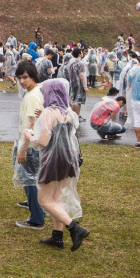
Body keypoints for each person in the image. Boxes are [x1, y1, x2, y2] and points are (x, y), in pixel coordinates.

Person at [22, 79, 90, 251]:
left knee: (44, 199)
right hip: (68, 158)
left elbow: (43, 141)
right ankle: (57, 236)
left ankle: (74, 227)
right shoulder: (68, 113)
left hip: (53, 159)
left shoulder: (49, 113)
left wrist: (29, 135)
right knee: (57, 197)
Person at [13, 61, 46, 231]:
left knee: (29, 179)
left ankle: (37, 218)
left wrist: (23, 148)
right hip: (35, 143)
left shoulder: (33, 96)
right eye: (19, 78)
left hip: (31, 145)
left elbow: (31, 125)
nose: (22, 81)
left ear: (33, 75)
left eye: (25, 77)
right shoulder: (37, 90)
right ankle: (37, 207)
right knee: (35, 177)